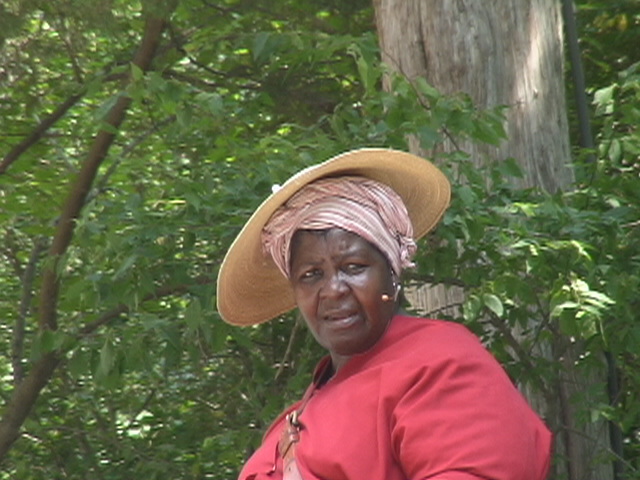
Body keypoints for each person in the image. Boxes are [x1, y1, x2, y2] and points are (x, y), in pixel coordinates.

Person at [216, 148, 552, 480]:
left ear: (392, 272)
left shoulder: (441, 364)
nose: (333, 289)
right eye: (311, 275)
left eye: (353, 267)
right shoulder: (297, 416)